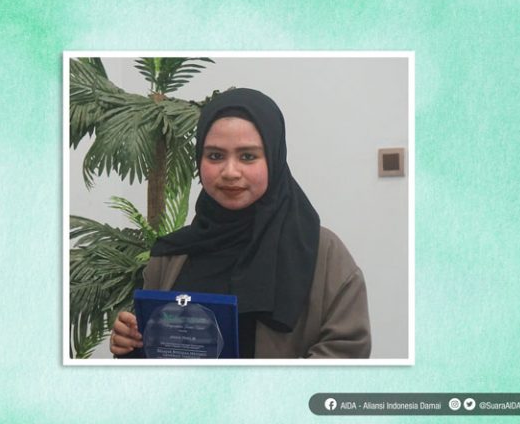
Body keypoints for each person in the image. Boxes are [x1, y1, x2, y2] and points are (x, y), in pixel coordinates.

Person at [111, 88, 371, 358]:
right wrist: (129, 344)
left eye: (248, 156)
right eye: (215, 156)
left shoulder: (322, 253)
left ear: (274, 158)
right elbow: (154, 351)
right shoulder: (172, 256)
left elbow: (347, 350)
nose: (230, 172)